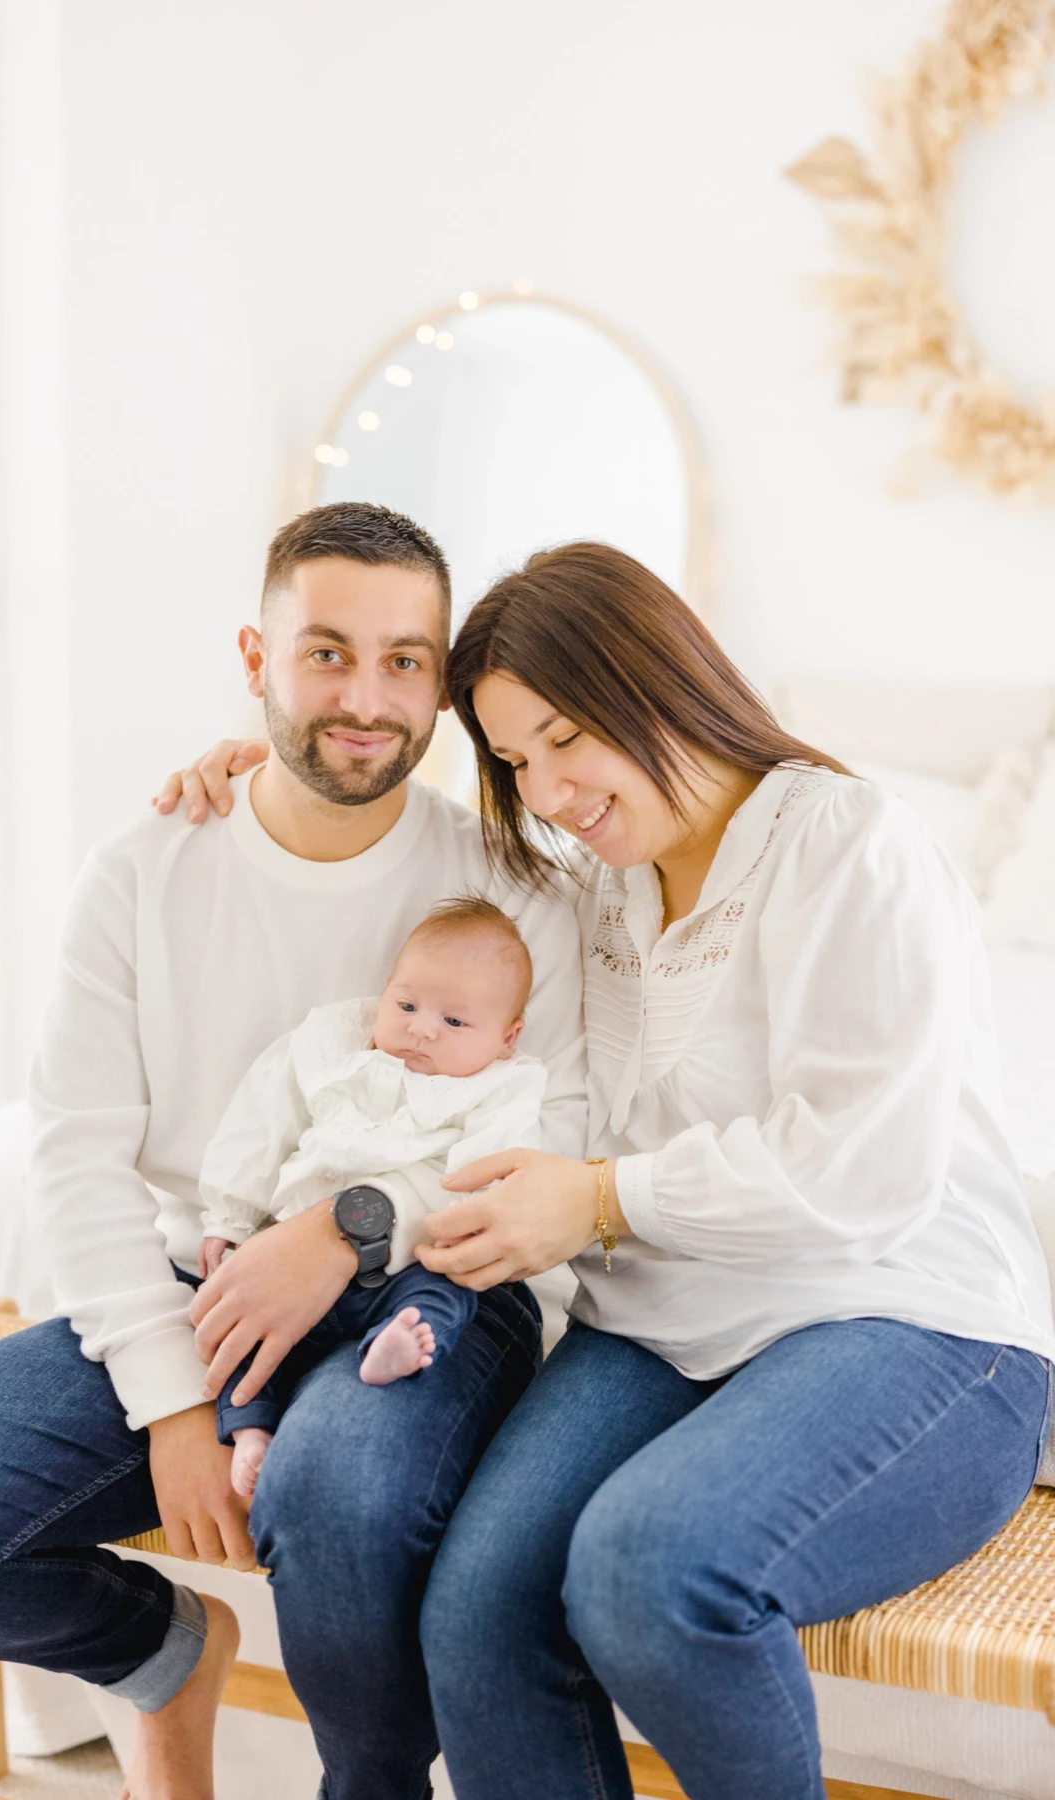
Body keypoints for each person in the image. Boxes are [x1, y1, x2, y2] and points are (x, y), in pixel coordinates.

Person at [0, 503, 586, 1800]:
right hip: (205, 1279)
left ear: (443, 687)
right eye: (327, 652)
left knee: (339, 1502)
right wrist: (175, 1411)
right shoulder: (144, 873)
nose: (367, 697)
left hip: (439, 1290)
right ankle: (157, 1652)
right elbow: (73, 1158)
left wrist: (356, 1221)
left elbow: (561, 1135)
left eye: (406, 660)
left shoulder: (513, 886)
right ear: (256, 655)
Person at [386, 541, 1054, 1800]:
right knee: (478, 1609)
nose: (550, 789)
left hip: (906, 1315)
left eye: (567, 736)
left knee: (651, 1569)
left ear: (654, 678)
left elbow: (864, 1168)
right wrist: (270, 774)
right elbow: (418, 879)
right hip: (666, 1321)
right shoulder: (592, 890)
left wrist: (597, 1199)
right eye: (517, 760)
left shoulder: (849, 842)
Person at [198, 895, 547, 1496]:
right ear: (385, 991)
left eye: (455, 1022)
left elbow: (488, 1183)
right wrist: (230, 1212)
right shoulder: (336, 1049)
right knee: (236, 1317)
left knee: (447, 1294)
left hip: (407, 1265)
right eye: (407, 1004)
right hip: (287, 1255)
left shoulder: (501, 1091)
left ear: (508, 1037)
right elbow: (261, 1122)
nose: (421, 1028)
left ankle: (397, 1348)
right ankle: (250, 1429)